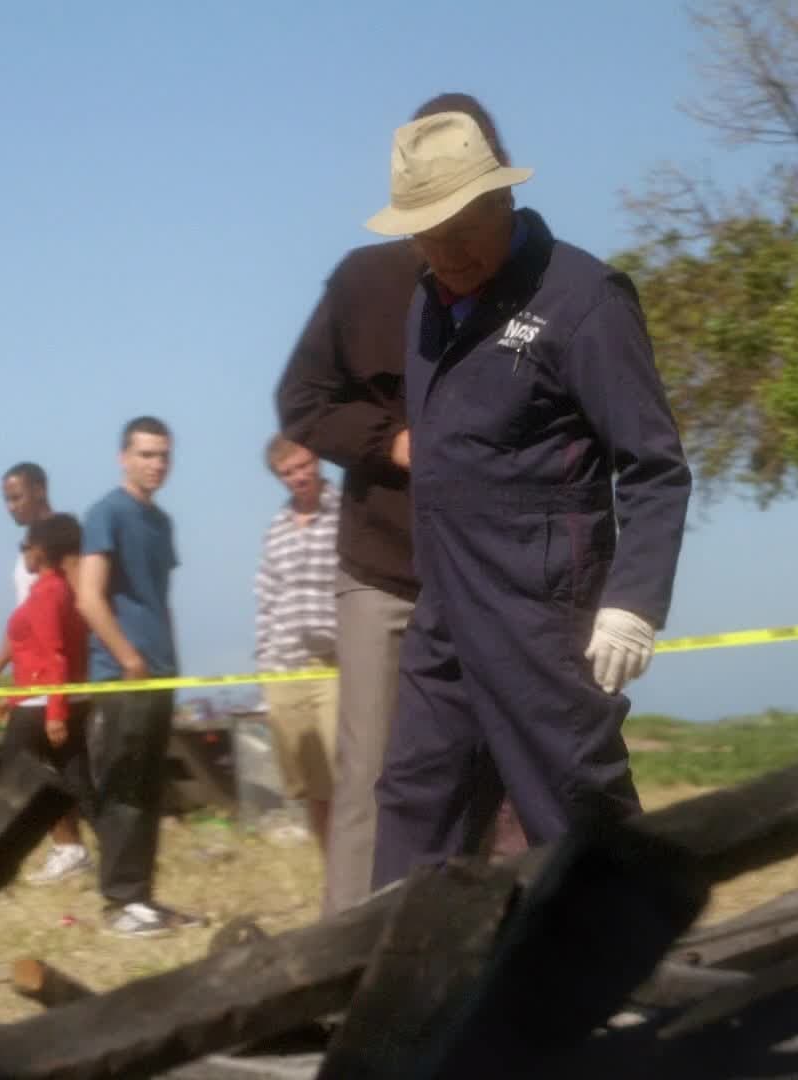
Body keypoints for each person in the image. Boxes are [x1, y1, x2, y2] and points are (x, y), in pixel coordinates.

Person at [362, 110, 693, 891]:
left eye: (459, 230)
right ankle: (403, 966)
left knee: (573, 806)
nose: (446, 253)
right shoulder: (426, 305)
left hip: (541, 610)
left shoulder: (584, 300)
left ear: (501, 201)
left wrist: (633, 602)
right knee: (417, 801)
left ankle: (632, 955)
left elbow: (654, 464)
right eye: (426, 237)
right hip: (445, 603)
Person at [275, 92, 526, 916]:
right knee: (371, 780)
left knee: (488, 775)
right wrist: (395, 443)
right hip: (385, 569)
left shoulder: (551, 291)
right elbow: (301, 401)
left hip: (498, 578)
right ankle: (344, 963)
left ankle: (462, 951)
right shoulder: (364, 281)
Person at [75, 417, 205, 937]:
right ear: (123, 457)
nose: (157, 464)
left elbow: (158, 598)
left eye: (163, 455)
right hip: (121, 675)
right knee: (123, 788)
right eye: (147, 454)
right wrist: (128, 657)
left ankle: (142, 899)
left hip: (159, 673)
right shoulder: (105, 513)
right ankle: (119, 903)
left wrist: (167, 659)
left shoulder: (161, 522)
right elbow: (89, 597)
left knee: (149, 790)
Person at [253, 435, 341, 851]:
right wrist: (265, 664)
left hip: (335, 663)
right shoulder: (276, 527)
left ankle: (364, 870)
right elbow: (267, 598)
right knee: (312, 785)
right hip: (284, 665)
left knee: (349, 774)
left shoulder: (347, 513)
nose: (299, 476)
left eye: (304, 466)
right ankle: (333, 873)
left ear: (317, 460)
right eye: (288, 472)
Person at [1, 514, 94, 883]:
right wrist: (10, 696)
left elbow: (56, 656)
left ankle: (3, 862)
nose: (22, 553)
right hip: (40, 699)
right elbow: (36, 656)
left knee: (14, 782)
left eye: (24, 546)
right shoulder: (58, 590)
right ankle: (98, 852)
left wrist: (55, 711)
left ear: (40, 551)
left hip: (41, 705)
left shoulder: (47, 593)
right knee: (79, 784)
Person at [0, 462, 51, 703]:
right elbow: (23, 619)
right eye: (7, 500)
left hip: (51, 689)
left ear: (39, 491)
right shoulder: (30, 544)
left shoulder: (60, 541)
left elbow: (38, 617)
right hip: (29, 682)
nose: (11, 507)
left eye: (17, 498)